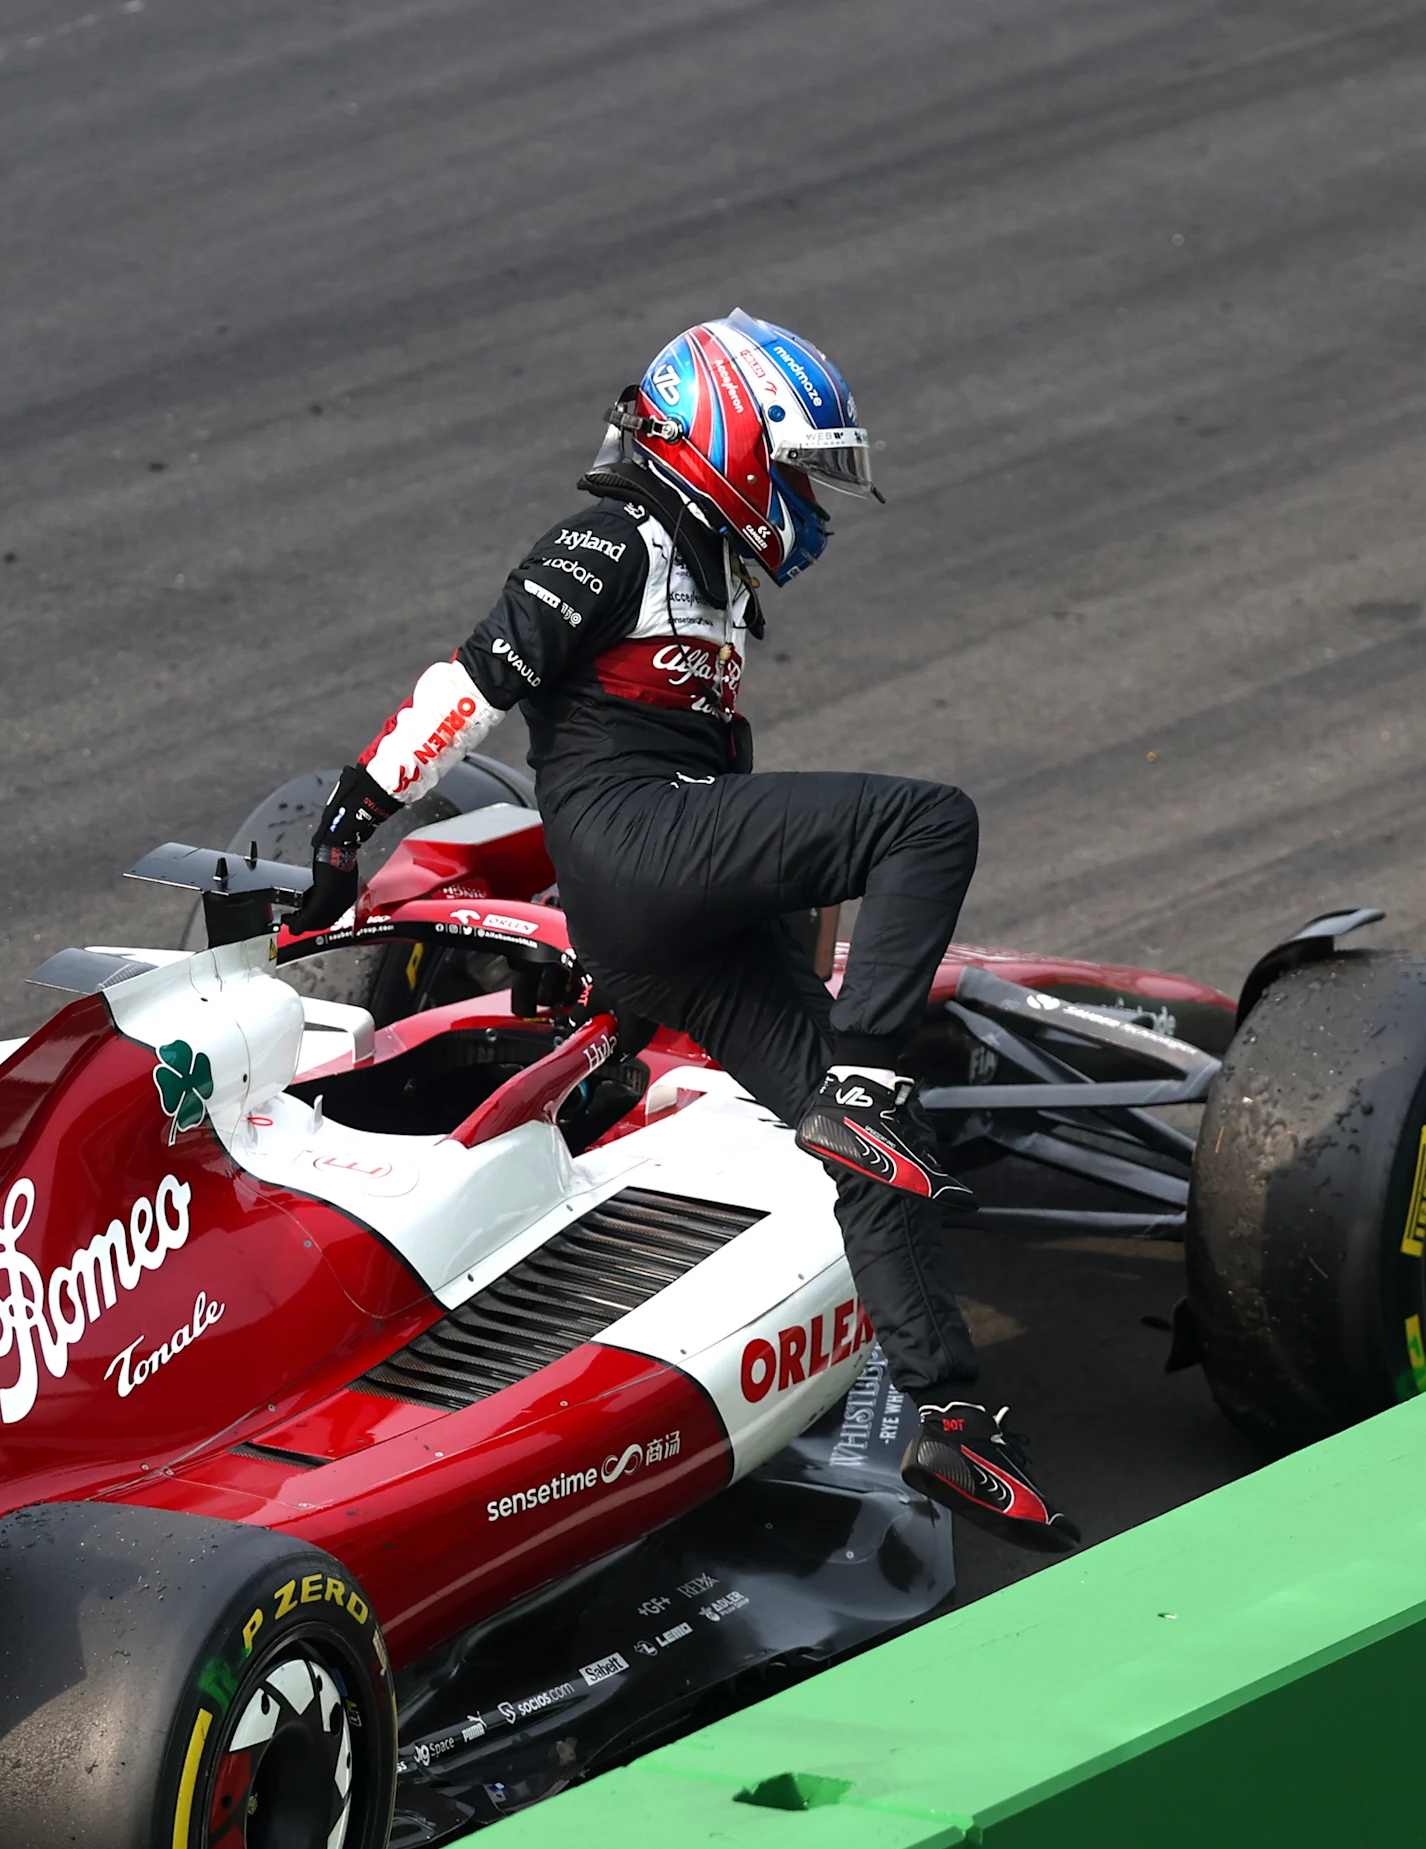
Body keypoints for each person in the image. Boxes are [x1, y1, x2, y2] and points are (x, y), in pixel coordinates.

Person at [287, 312, 1064, 1543]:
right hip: (627, 840)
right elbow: (472, 682)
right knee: (928, 825)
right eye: (796, 467)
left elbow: (745, 822)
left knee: (871, 1148)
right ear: (727, 439)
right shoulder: (611, 535)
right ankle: (858, 1086)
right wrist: (349, 825)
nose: (806, 501)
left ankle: (952, 1418)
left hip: (662, 912)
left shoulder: (711, 584)